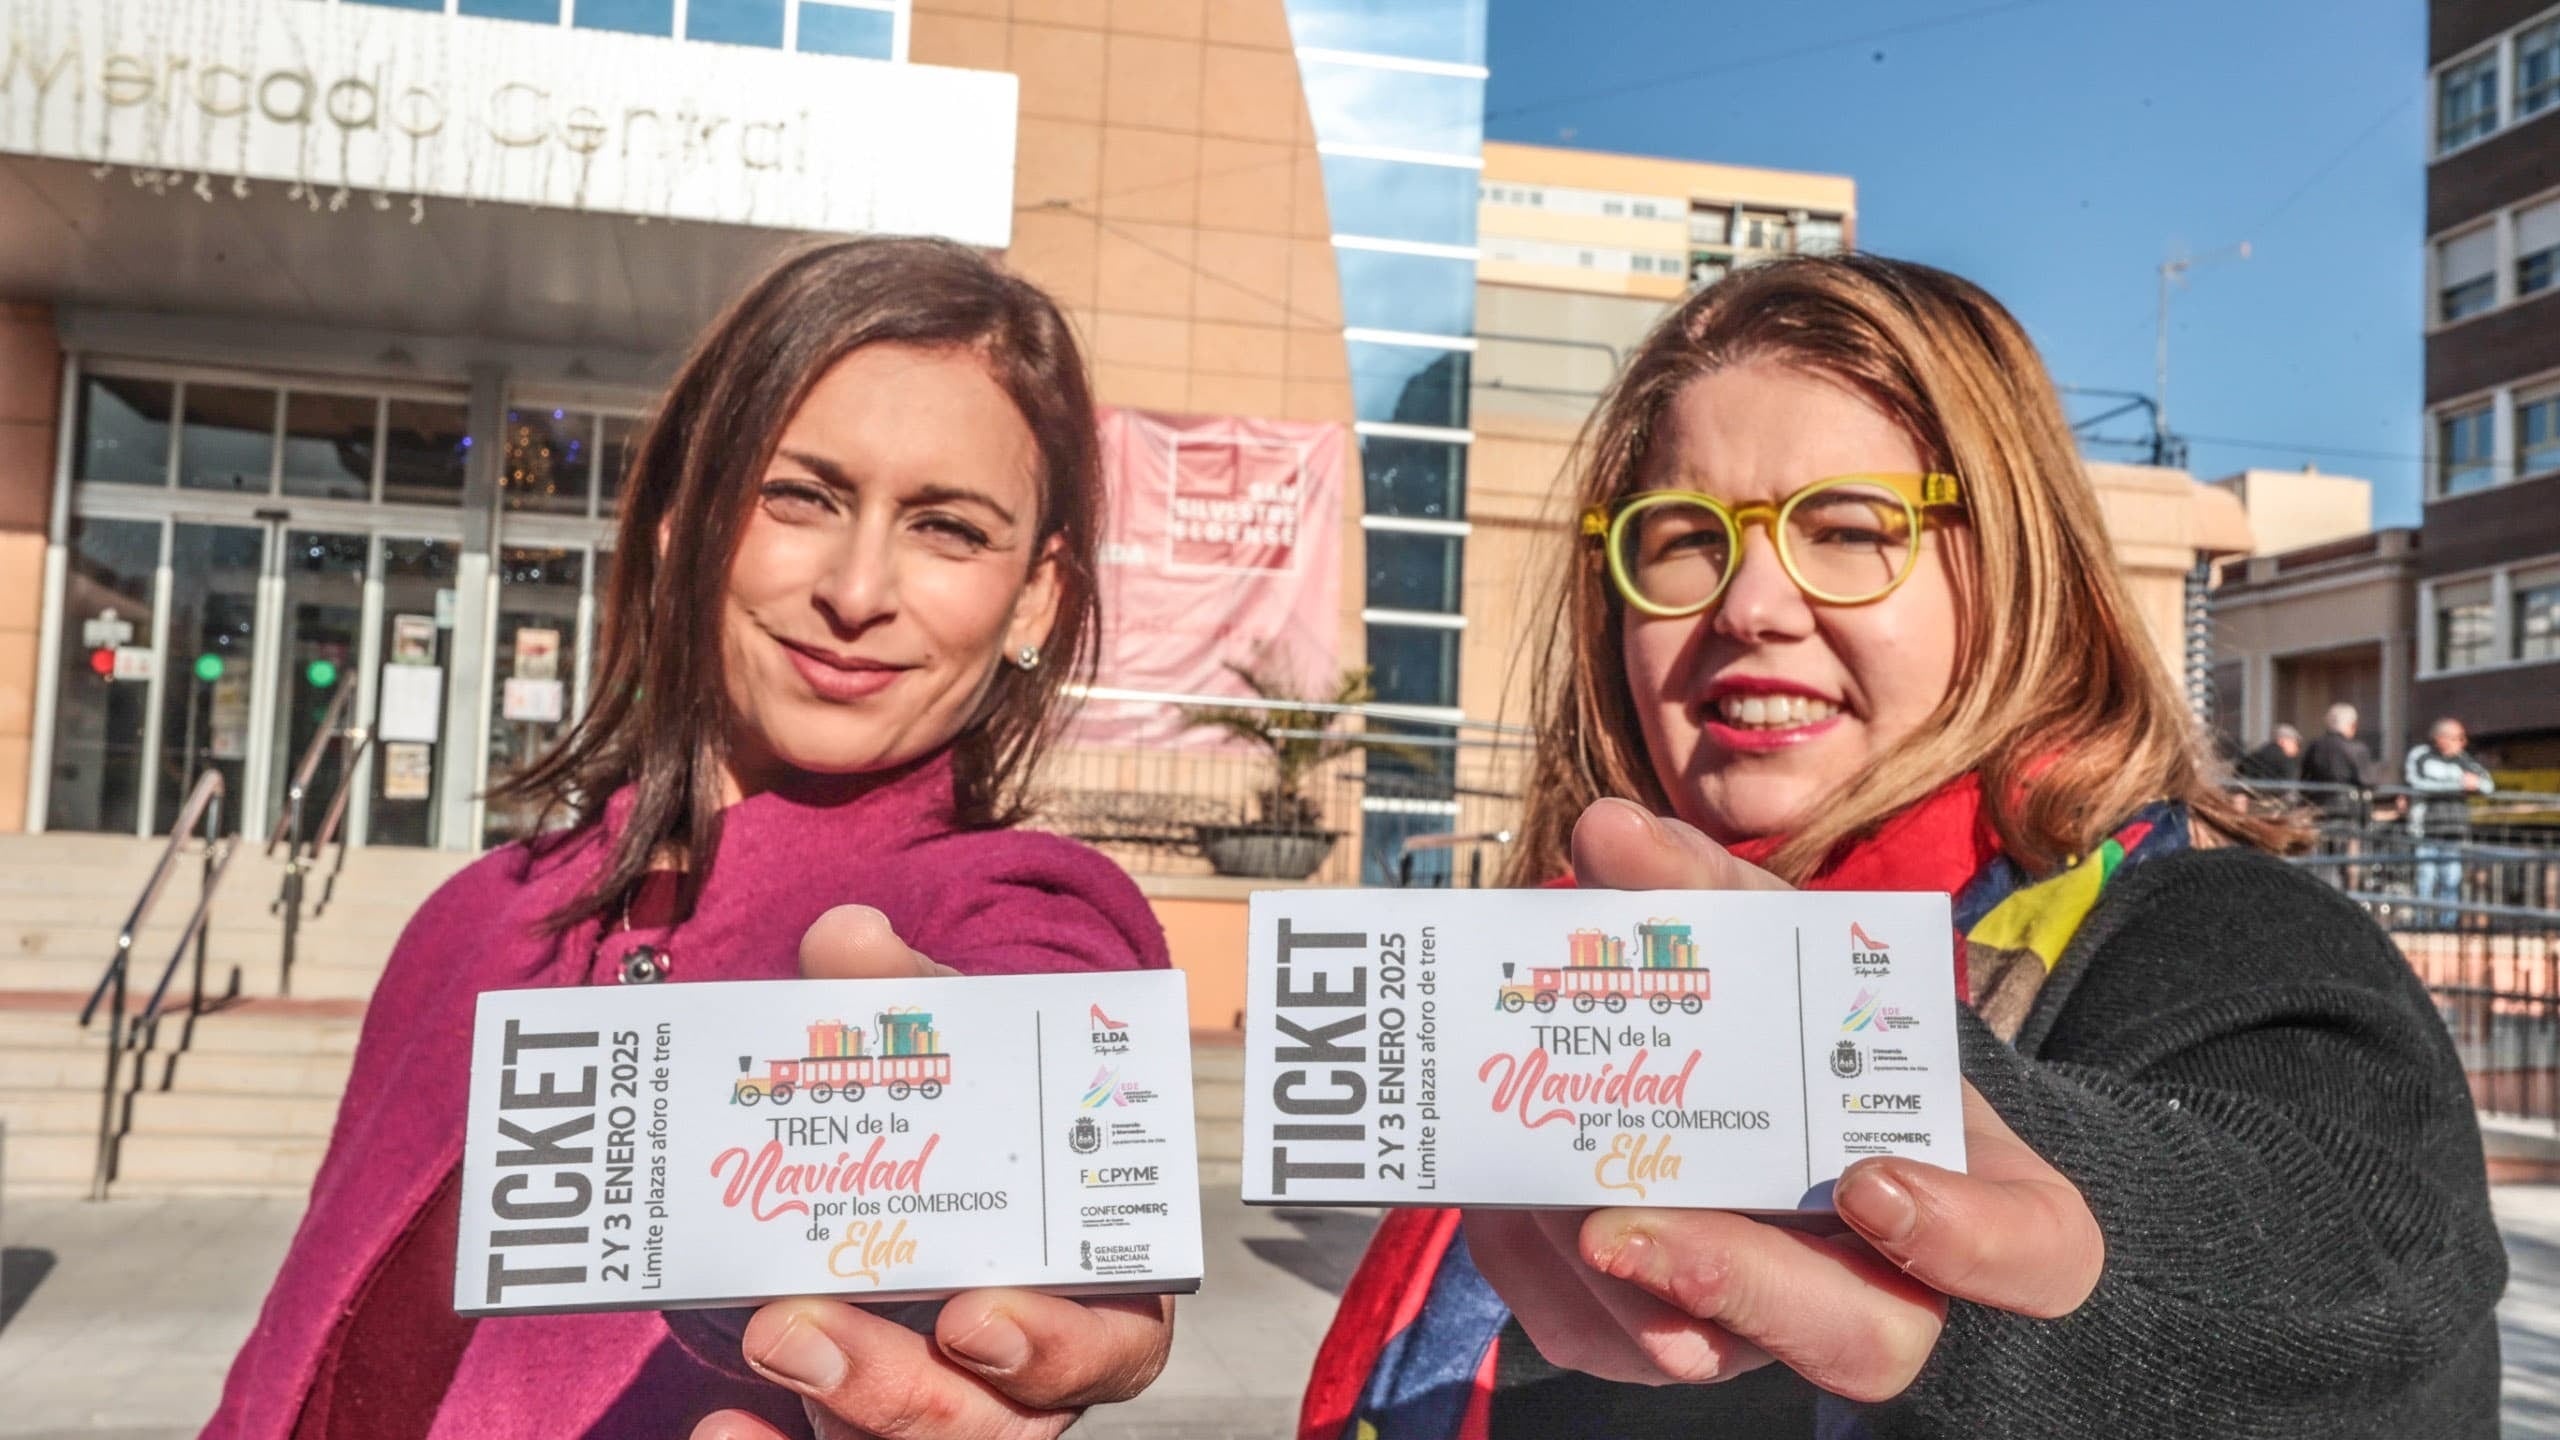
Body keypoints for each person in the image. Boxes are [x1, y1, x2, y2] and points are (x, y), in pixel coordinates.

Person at [1298, 255, 2505, 1438]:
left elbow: (2343, 1249)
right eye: (1682, 539)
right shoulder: (1541, 977)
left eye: (1845, 529)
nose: (1749, 603)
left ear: (2020, 571)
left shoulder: (2224, 931)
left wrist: (2032, 1242)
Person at [204, 238, 1178, 1440]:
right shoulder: (476, 912)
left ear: (1034, 598)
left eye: (947, 529)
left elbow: (1048, 1010)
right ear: (682, 525)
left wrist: (1036, 1162)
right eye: (801, 496)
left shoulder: (1013, 908)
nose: (859, 587)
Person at [2405, 717, 2496, 927]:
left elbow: (2488, 785)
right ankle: (2422, 924)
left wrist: (2475, 784)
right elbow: (2417, 783)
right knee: (2425, 878)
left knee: (2451, 880)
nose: (2462, 743)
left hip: (2454, 830)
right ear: (2440, 738)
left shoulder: (2464, 759)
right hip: (2426, 829)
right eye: (2457, 738)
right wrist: (2458, 784)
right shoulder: (2421, 755)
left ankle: (2447, 926)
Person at [2299, 701, 2379, 821]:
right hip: (2346, 812)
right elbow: (2366, 782)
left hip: (2317, 809)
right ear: (2352, 725)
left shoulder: (2314, 746)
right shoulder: (2357, 749)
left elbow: (2304, 778)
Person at [2237, 722, 2303, 783]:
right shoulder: (2284, 759)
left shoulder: (2258, 753)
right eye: (2295, 743)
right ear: (2282, 742)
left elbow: (2239, 770)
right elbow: (2288, 783)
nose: (2297, 749)